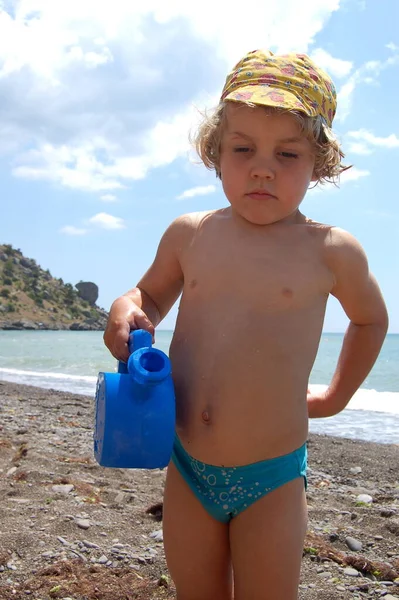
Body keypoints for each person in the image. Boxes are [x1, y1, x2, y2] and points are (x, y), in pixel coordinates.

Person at [103, 49, 388, 600]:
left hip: (272, 478)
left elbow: (371, 319)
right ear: (215, 152)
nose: (262, 167)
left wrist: (334, 397)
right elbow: (150, 295)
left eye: (287, 153)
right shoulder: (192, 234)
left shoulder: (331, 251)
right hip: (187, 465)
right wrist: (126, 309)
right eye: (243, 148)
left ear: (318, 163)